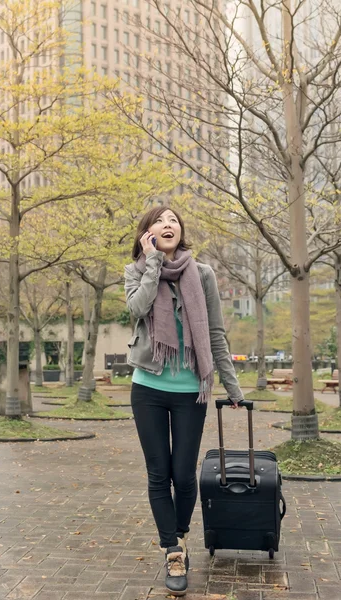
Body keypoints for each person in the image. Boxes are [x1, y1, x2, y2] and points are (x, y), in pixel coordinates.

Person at [124, 206, 244, 596]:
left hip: (192, 390)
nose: (168, 224)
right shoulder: (138, 272)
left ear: (182, 230)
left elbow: (215, 334)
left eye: (174, 220)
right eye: (159, 221)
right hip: (149, 388)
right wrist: (153, 263)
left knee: (183, 474)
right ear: (147, 233)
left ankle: (178, 532)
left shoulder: (203, 274)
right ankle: (173, 551)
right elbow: (137, 309)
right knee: (158, 474)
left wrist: (232, 385)